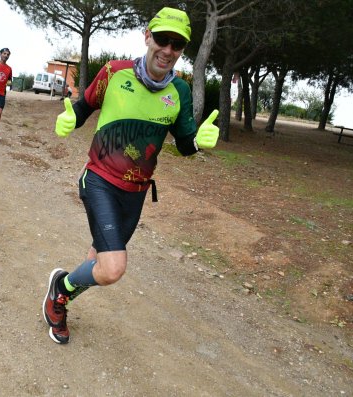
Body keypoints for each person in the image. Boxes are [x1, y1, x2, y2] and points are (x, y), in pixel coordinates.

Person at [42, 7, 220, 344]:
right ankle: (59, 290)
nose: (168, 50)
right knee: (112, 268)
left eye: (177, 44)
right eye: (163, 39)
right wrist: (69, 121)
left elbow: (183, 144)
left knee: (98, 259)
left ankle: (60, 298)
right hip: (98, 178)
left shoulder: (179, 92)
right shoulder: (114, 73)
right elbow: (81, 110)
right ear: (147, 37)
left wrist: (198, 144)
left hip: (135, 191)